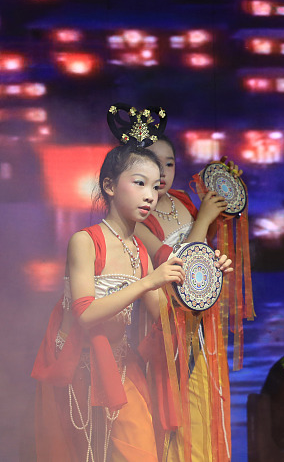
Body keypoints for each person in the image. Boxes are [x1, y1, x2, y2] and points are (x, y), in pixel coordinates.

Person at [31, 143, 186, 461]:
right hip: (78, 366)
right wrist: (148, 282)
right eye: (139, 183)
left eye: (155, 187)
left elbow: (163, 317)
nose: (150, 195)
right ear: (109, 186)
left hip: (119, 366)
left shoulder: (140, 251)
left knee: (141, 452)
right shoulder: (85, 241)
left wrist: (204, 280)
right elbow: (86, 313)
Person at [135, 134, 232, 461]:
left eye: (170, 163)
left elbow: (206, 246)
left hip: (201, 316)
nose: (162, 172)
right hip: (168, 321)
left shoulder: (181, 199)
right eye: (153, 164)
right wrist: (203, 218)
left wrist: (222, 196)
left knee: (206, 401)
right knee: (180, 406)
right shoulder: (139, 219)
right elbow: (181, 269)